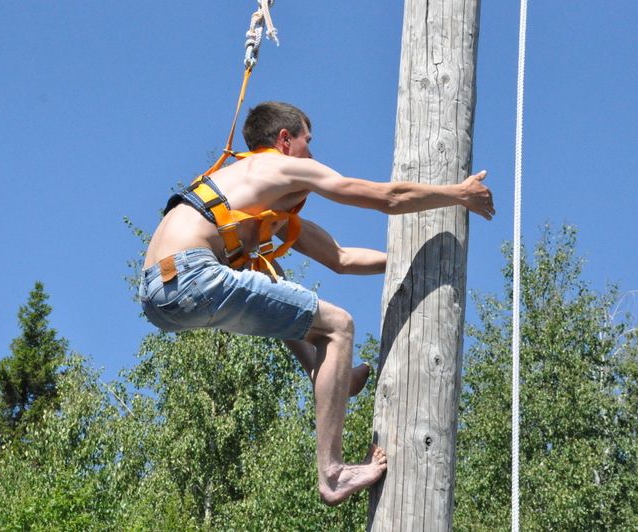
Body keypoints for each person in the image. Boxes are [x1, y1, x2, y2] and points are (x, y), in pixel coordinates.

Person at [139, 101, 495, 505]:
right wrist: (458, 194)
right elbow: (390, 197)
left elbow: (340, 259)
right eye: (309, 141)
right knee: (338, 325)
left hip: (160, 295)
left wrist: (414, 266)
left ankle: (320, 371)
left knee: (273, 285)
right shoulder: (278, 166)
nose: (313, 153)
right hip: (191, 275)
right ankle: (333, 473)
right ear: (285, 140)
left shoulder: (249, 195)